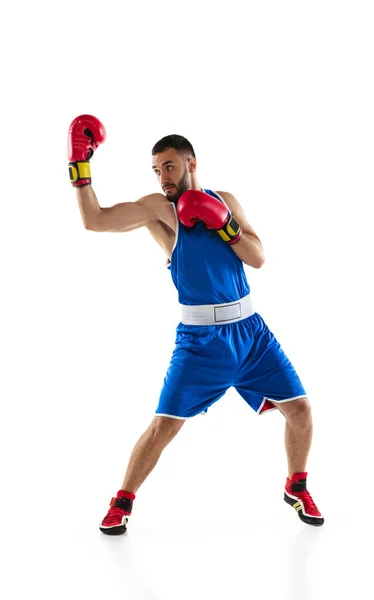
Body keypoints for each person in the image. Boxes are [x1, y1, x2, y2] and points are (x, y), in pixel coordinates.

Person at [68, 114, 324, 535]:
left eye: (168, 166)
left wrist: (224, 224)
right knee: (164, 426)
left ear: (191, 164)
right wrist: (81, 166)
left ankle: (296, 486)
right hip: (200, 342)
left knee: (300, 410)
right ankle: (122, 501)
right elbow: (94, 220)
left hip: (252, 334)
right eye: (155, 169)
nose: (162, 176)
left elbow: (257, 257)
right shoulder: (158, 209)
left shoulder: (224, 200)